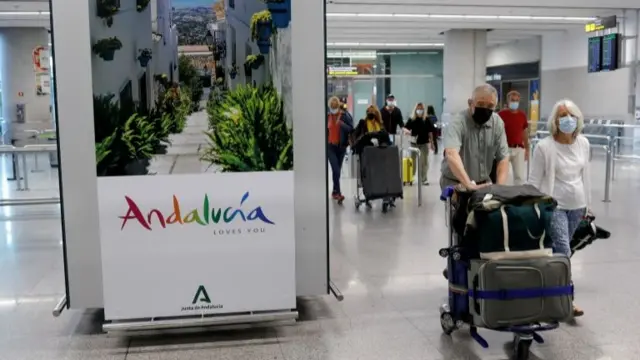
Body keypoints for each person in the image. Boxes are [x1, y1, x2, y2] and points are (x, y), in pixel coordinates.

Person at [528, 99, 590, 317]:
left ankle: (546, 291)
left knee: (560, 250)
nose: (567, 119)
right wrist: (531, 209)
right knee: (563, 249)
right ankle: (567, 299)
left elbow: (585, 176)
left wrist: (588, 206)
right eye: (562, 115)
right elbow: (534, 182)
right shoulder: (544, 147)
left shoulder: (583, 143)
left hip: (577, 206)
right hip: (554, 206)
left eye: (571, 115)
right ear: (555, 120)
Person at [440, 84, 510, 191]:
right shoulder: (458, 122)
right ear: (470, 103)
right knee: (461, 205)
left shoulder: (497, 123)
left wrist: (500, 189)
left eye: (490, 106)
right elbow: (451, 154)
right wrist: (468, 184)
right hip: (455, 181)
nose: (485, 109)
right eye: (480, 104)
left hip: (483, 182)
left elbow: (503, 158)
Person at [497, 91, 530, 185]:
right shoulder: (501, 115)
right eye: (512, 100)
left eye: (516, 100)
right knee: (503, 176)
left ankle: (518, 196)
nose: (514, 102)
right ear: (508, 101)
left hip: (518, 149)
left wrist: (527, 148)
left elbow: (524, 133)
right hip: (504, 148)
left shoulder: (522, 115)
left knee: (519, 177)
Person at [327, 96, 353, 203]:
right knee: (336, 169)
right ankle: (338, 193)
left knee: (336, 171)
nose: (333, 109)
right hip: (330, 147)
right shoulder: (327, 116)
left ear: (338, 106)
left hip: (341, 147)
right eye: (331, 107)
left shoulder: (345, 116)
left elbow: (351, 129)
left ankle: (334, 191)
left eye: (335, 107)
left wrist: (341, 124)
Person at [403, 102, 435, 185]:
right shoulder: (412, 119)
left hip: (424, 143)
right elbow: (405, 128)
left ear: (423, 110)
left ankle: (424, 179)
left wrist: (432, 143)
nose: (419, 110)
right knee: (412, 162)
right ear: (415, 109)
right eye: (418, 109)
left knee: (424, 162)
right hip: (414, 144)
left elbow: (430, 132)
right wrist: (406, 131)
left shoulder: (426, 119)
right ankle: (411, 177)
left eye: (421, 109)